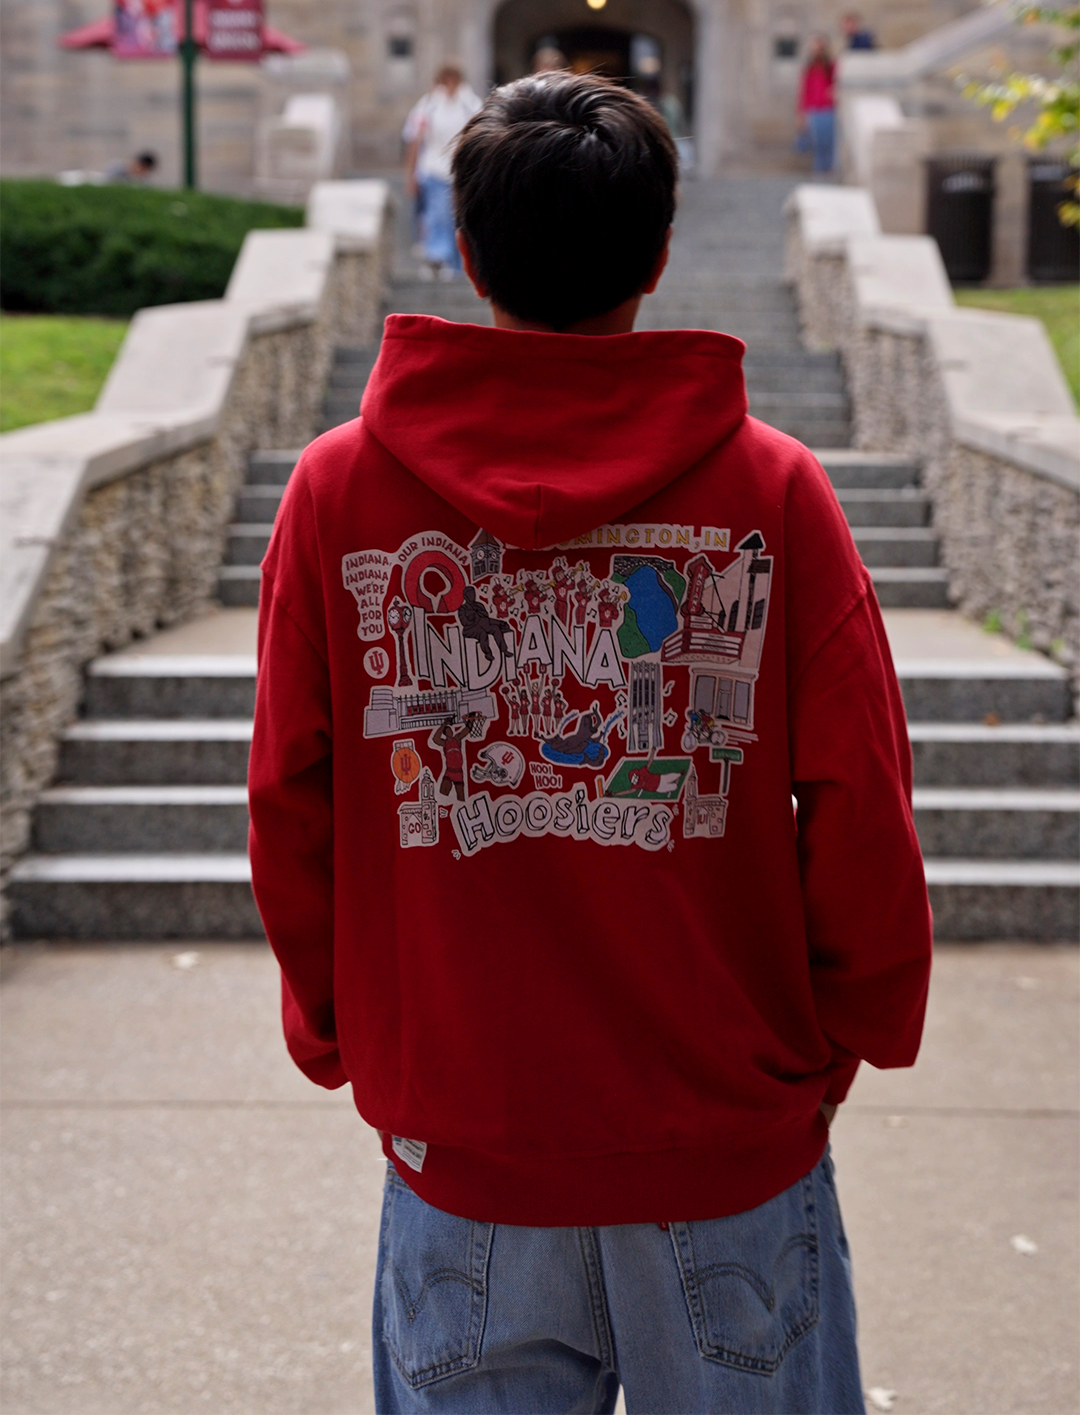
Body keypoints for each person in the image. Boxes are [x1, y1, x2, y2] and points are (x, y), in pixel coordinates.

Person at [249, 72, 931, 1415]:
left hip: (468, 1142)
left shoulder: (339, 489)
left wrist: (344, 1032)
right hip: (728, 1144)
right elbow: (863, 801)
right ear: (661, 251)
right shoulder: (774, 490)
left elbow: (290, 794)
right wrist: (840, 1044)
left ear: (469, 242)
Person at [401, 65, 482, 277]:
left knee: (457, 220)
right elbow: (415, 140)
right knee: (437, 215)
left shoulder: (470, 105)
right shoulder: (429, 105)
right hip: (433, 169)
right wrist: (410, 174)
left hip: (460, 172)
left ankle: (456, 263)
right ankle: (438, 256)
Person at [798, 37, 837, 174]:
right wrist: (802, 112)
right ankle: (820, 170)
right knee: (817, 144)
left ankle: (830, 169)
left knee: (830, 142)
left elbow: (835, 83)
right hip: (814, 110)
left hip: (828, 109)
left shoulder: (830, 66)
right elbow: (805, 92)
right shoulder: (809, 68)